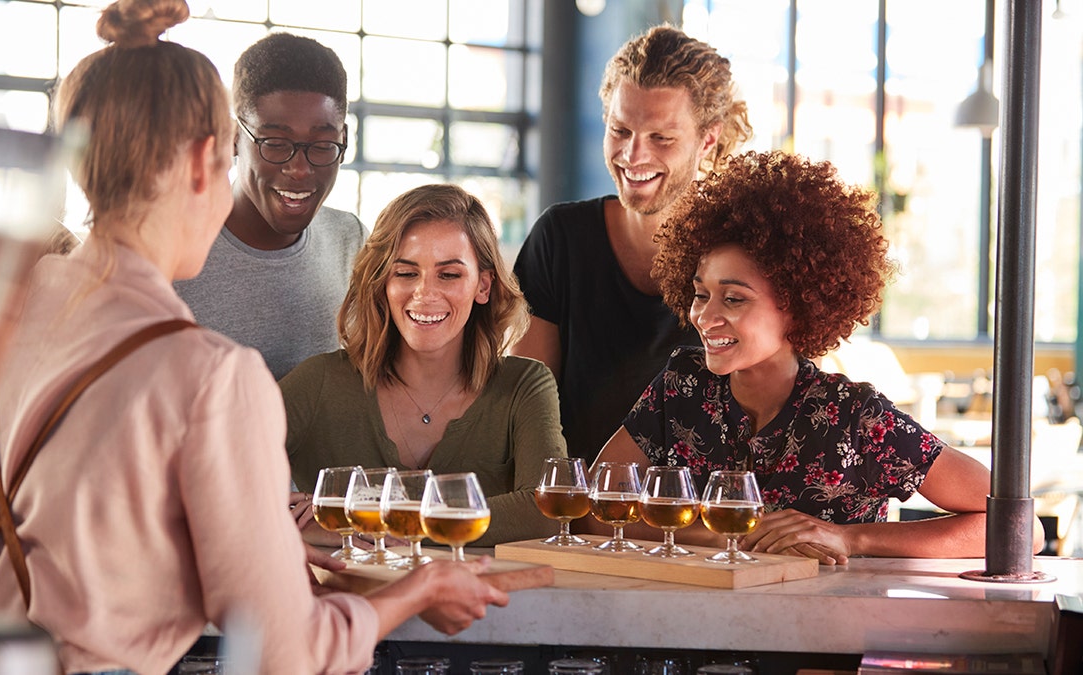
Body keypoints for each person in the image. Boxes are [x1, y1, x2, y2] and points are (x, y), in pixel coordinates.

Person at [0, 3, 506, 673]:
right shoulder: (214, 376)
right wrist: (416, 589)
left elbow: (89, 532)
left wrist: (262, 552)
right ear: (211, 156)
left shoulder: (6, 312)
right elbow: (285, 654)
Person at [588, 150, 1044, 564]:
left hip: (827, 632)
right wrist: (737, 535)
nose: (705, 316)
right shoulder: (681, 387)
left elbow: (1023, 533)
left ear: (796, 304)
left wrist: (850, 538)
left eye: (734, 299)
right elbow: (595, 507)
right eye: (701, 294)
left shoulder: (856, 417)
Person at [512, 23, 753, 463]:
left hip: (697, 517)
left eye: (661, 138)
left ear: (708, 141)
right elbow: (528, 403)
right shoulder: (560, 239)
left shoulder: (746, 257)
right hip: (578, 511)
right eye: (620, 130)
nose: (633, 156)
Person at [280, 183, 566, 547]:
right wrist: (285, 516)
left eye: (449, 275)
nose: (425, 294)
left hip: (485, 604)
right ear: (382, 281)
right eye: (405, 273)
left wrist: (366, 519)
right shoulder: (319, 382)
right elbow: (213, 472)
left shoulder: (525, 385)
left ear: (484, 285)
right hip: (351, 602)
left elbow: (543, 510)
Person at [174, 31, 365, 380]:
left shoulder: (350, 242)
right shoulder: (172, 253)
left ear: (344, 140)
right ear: (233, 137)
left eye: (322, 145)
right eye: (275, 143)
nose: (300, 169)